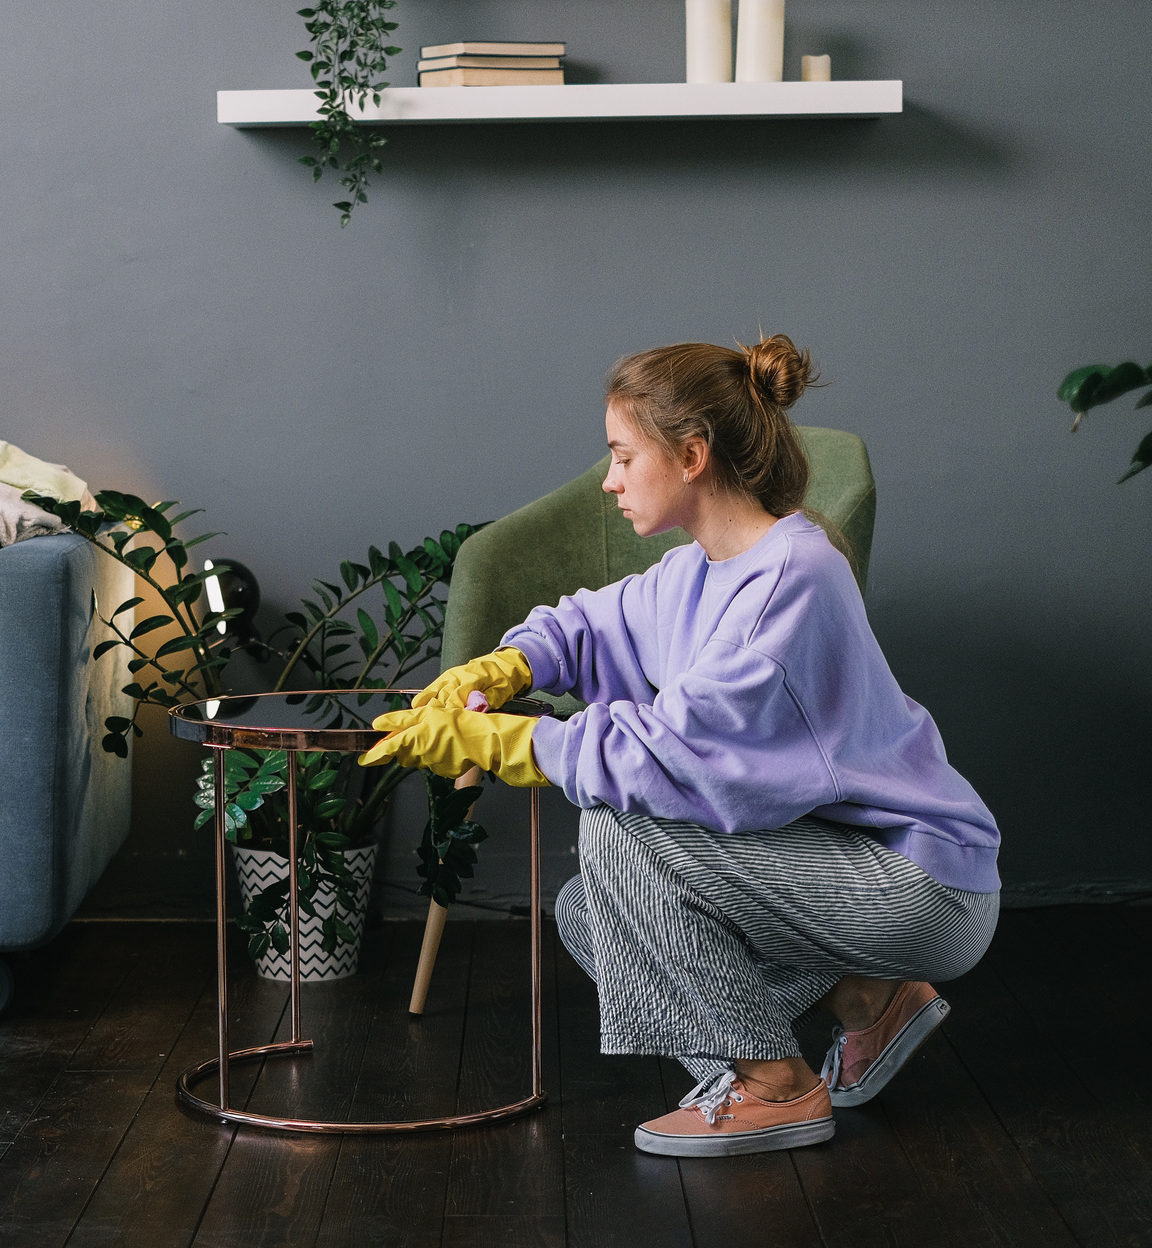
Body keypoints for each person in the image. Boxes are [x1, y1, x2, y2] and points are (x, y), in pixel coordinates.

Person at [360, 335, 1000, 1158]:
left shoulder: (791, 580)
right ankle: (864, 999)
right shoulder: (699, 570)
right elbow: (594, 622)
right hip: (839, 869)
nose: (609, 478)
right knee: (591, 915)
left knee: (616, 826)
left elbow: (667, 758)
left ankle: (771, 1084)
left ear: (691, 455)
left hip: (919, 886)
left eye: (624, 455)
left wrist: (512, 740)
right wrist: (512, 664)